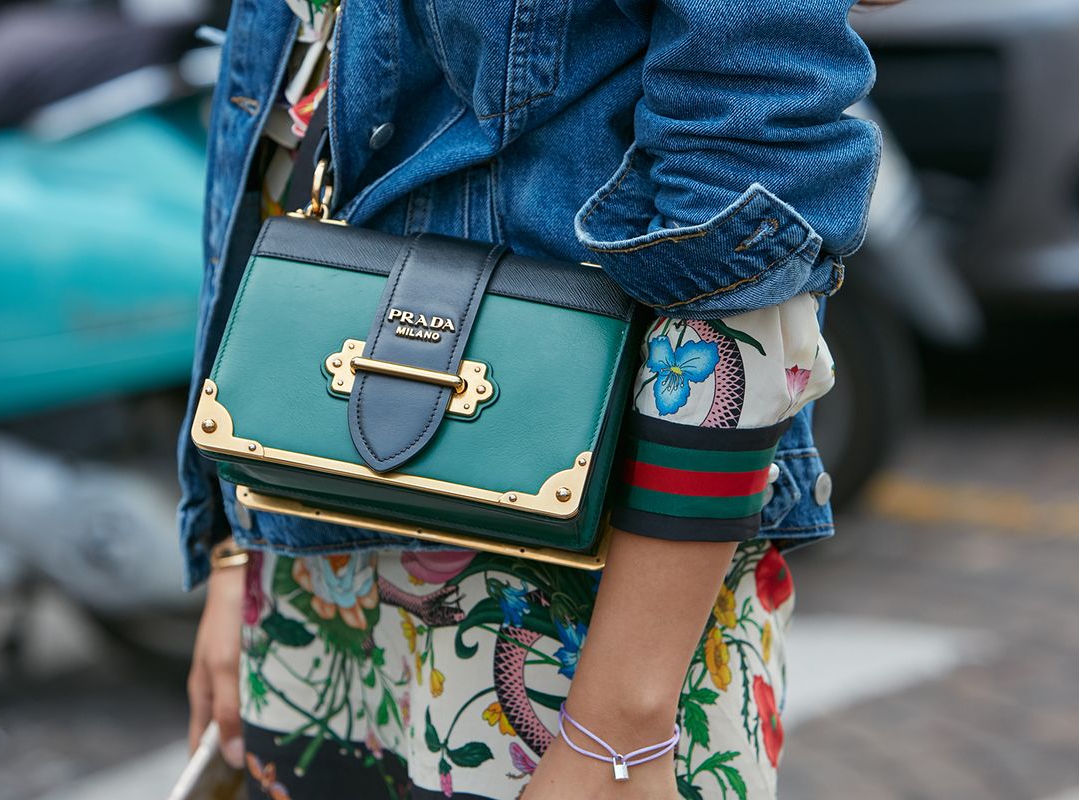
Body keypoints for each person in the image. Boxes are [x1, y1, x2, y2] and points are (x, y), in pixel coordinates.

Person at [181, 1, 891, 797]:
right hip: (305, 541)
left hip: (577, 595)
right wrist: (236, 546)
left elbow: (742, 203)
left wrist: (617, 729)